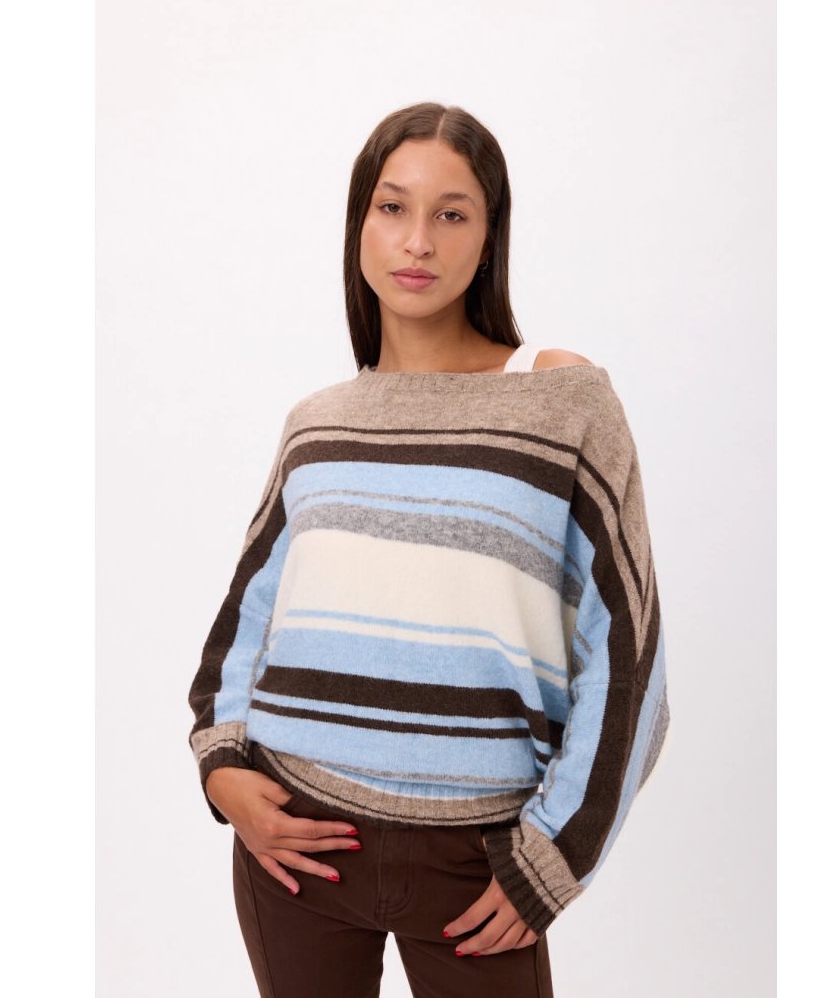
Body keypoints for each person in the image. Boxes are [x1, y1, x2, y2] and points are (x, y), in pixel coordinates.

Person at [187, 101, 671, 998]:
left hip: (476, 864)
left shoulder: (560, 399)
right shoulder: (317, 424)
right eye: (392, 207)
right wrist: (223, 767)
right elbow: (245, 622)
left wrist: (554, 855)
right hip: (293, 846)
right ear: (359, 225)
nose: (418, 241)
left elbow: (629, 652)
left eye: (452, 214)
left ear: (489, 238)